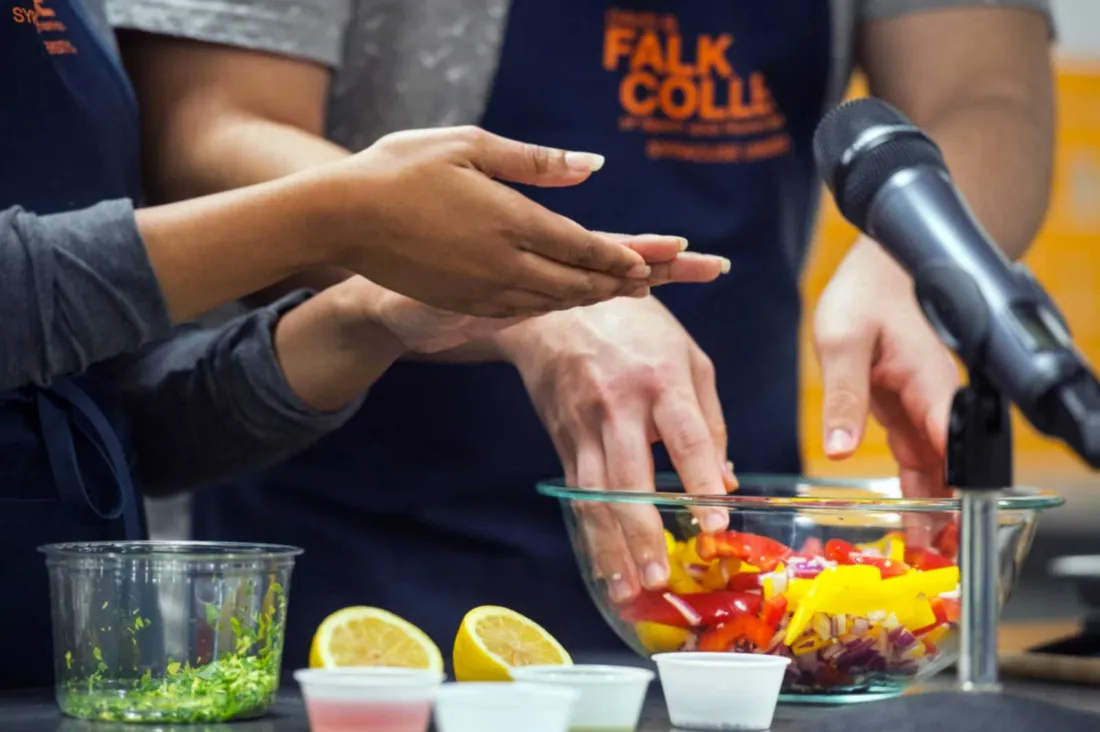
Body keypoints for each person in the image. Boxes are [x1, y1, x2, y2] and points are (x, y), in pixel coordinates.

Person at [109, 0, 1056, 665]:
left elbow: (986, 95)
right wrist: (537, 287)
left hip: (718, 568)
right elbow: (209, 129)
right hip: (353, 545)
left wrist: (913, 252)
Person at [0, 0, 728, 688]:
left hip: (61, 661)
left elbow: (113, 419)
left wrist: (364, 317)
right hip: (364, 534)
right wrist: (334, 218)